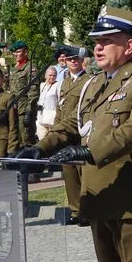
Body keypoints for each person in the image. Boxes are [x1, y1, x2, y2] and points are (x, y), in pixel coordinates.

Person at [16, 5, 132, 262]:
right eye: (96, 42)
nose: (97, 48)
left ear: (129, 45)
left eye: (105, 41)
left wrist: (89, 151)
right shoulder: (94, 84)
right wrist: (39, 148)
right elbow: (71, 126)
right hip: (101, 202)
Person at [47, 44, 89, 226]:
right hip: (64, 132)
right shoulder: (64, 81)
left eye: (75, 59)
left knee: (83, 173)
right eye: (69, 60)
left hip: (79, 131)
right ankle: (76, 210)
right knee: (69, 174)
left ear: (81, 61)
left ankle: (87, 211)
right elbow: (60, 107)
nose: (72, 62)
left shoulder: (88, 80)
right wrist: (55, 129)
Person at [9, 41, 39, 147]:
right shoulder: (14, 68)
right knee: (14, 139)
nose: (15, 54)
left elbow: (33, 91)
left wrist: (29, 111)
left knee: (26, 140)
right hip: (14, 109)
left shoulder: (30, 68)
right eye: (14, 52)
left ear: (25, 52)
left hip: (24, 109)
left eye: (18, 52)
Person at [36, 66, 60, 140]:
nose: (52, 77)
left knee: (50, 141)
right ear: (45, 75)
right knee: (41, 140)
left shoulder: (58, 85)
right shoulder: (42, 85)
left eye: (54, 75)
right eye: (50, 75)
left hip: (51, 118)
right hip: (41, 117)